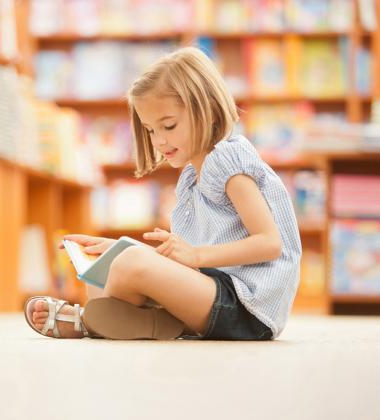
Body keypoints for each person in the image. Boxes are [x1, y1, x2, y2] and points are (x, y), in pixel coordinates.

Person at [24, 46, 302, 341]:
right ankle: (147, 322)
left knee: (129, 264)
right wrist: (117, 247)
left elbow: (270, 243)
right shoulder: (193, 178)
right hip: (214, 291)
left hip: (247, 308)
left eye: (168, 126)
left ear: (205, 110)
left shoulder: (228, 161)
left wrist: (192, 255)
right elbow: (184, 261)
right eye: (150, 130)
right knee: (102, 267)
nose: (159, 140)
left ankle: (87, 322)